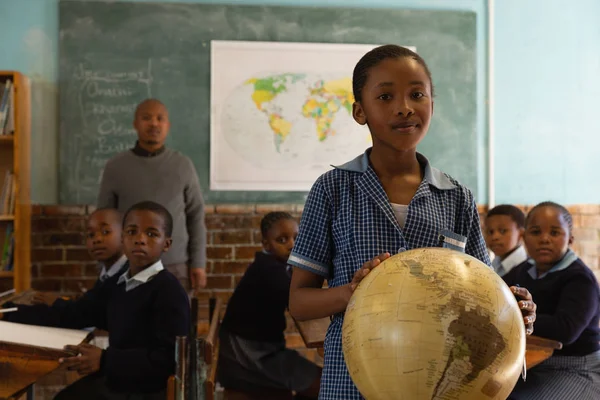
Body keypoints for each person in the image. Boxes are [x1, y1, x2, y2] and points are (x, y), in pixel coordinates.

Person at [287, 45, 537, 399]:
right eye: (386, 96)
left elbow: (483, 293)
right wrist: (351, 293)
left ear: (431, 104)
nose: (404, 107)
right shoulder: (333, 189)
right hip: (353, 383)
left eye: (417, 94)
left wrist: (513, 308)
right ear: (360, 111)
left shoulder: (457, 197)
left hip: (441, 383)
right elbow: (299, 301)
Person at [4, 201, 190, 399]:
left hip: (147, 390)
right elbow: (74, 314)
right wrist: (9, 312)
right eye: (132, 231)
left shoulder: (169, 292)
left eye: (152, 234)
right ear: (123, 238)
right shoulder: (119, 284)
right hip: (120, 379)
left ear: (167, 244)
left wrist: (105, 359)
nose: (140, 239)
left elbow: (170, 360)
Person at [97, 98, 207, 293]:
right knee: (126, 322)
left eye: (160, 118)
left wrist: (198, 263)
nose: (154, 123)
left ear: (167, 125)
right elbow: (104, 222)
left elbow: (196, 217)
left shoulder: (182, 165)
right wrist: (106, 266)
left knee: (175, 322)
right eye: (146, 118)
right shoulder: (116, 167)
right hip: (128, 266)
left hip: (175, 266)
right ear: (135, 124)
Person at [218, 212, 321, 398]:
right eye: (282, 240)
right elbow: (304, 302)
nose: (292, 245)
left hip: (259, 348)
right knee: (323, 384)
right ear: (266, 244)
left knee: (318, 380)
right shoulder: (269, 271)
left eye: (297, 238)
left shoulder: (275, 265)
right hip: (248, 355)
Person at [504, 202, 600, 400]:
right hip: (532, 363)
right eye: (536, 232)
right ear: (524, 238)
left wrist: (519, 317)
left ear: (570, 238)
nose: (544, 239)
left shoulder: (580, 279)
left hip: (575, 368)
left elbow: (565, 330)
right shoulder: (521, 271)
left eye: (555, 233)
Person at [31, 208, 128, 307]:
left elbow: (93, 315)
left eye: (105, 232)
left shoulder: (130, 275)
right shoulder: (106, 274)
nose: (96, 239)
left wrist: (57, 302)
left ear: (125, 234)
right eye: (91, 235)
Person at [484, 204, 528, 277]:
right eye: (490, 232)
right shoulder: (494, 263)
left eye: (502, 231)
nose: (494, 237)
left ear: (520, 234)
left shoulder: (527, 270)